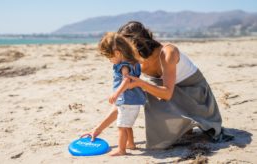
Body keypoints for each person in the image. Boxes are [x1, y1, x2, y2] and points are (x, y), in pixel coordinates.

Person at [89, 21, 233, 150]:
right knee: (143, 90)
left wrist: (140, 83)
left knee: (149, 92)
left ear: (136, 41)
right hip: (175, 97)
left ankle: (189, 123)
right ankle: (183, 127)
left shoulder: (167, 52)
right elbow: (124, 100)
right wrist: (97, 129)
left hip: (197, 97)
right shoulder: (136, 63)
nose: (123, 49)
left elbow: (167, 94)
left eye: (124, 44)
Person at [98, 32, 146, 156]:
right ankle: (131, 144)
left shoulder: (124, 66)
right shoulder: (134, 62)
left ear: (118, 53)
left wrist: (116, 93)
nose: (110, 61)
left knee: (121, 126)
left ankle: (121, 149)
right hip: (132, 101)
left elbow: (126, 80)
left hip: (127, 100)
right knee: (127, 124)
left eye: (110, 57)